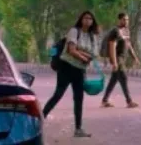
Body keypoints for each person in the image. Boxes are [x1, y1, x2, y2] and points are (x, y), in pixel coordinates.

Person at [43, 10, 101, 138]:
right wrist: (84, 56)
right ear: (81, 19)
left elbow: (94, 54)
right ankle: (40, 119)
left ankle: (78, 129)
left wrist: (81, 53)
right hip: (66, 67)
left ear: (93, 21)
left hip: (80, 70)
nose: (88, 20)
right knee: (58, 95)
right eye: (85, 18)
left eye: (90, 18)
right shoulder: (74, 31)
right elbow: (71, 50)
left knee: (79, 98)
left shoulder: (92, 36)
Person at [102, 12, 140, 108]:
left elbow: (128, 44)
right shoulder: (115, 31)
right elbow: (112, 46)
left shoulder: (126, 30)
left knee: (114, 80)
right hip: (117, 57)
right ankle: (129, 101)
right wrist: (114, 62)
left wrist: (134, 57)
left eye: (127, 19)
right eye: (124, 19)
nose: (126, 21)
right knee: (123, 77)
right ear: (119, 20)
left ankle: (104, 100)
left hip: (123, 58)